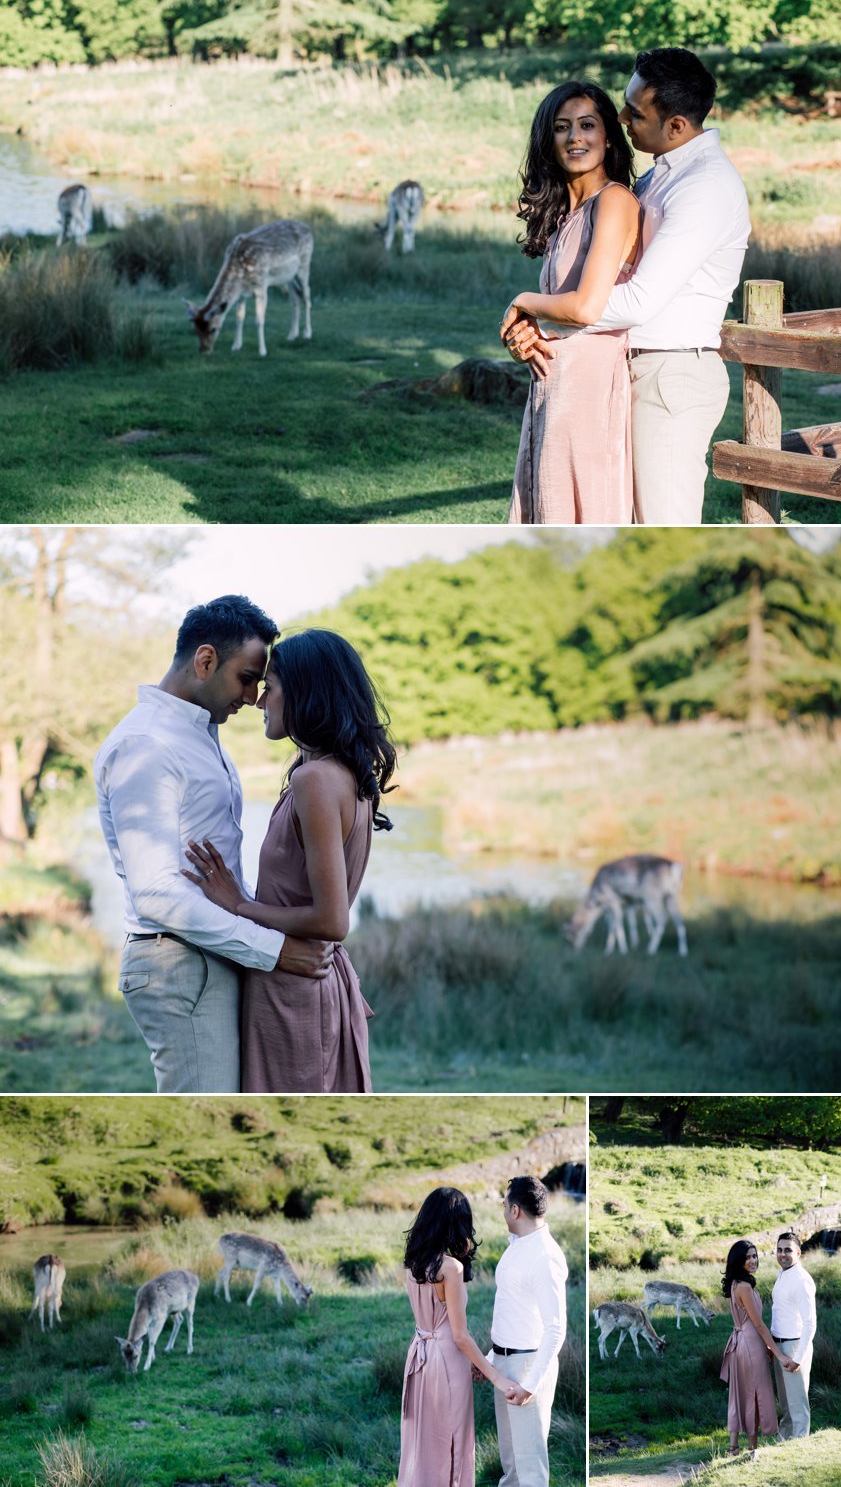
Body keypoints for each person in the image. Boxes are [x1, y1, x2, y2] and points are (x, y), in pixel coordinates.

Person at [94, 596, 333, 1094]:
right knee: (200, 1112)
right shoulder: (146, 746)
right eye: (247, 678)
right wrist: (274, 950)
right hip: (179, 966)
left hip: (209, 956)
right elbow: (157, 893)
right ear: (205, 660)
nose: (252, 698)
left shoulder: (197, 736)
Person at [503, 48, 750, 526]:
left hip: (670, 375)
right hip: (622, 369)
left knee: (663, 527)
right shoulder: (658, 176)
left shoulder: (705, 186)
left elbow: (634, 300)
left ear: (676, 125)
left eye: (635, 112)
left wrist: (538, 311)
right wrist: (544, 329)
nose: (622, 118)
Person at [182, 627, 395, 1094]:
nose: (259, 700)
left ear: (304, 694)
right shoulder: (337, 774)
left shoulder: (316, 780)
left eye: (271, 686)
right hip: (297, 983)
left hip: (294, 990)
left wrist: (239, 905)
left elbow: (331, 919)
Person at [499, 80, 641, 524]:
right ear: (548, 139)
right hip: (551, 385)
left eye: (587, 125)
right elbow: (560, 310)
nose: (575, 137)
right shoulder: (566, 215)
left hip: (588, 388)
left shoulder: (613, 201)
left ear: (608, 136)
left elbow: (584, 308)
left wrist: (522, 301)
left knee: (578, 513)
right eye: (562, 127)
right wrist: (525, 337)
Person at [399, 1187, 522, 1487]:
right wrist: (495, 1376)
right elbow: (460, 1335)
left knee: (423, 1444)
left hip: (419, 1357)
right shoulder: (449, 1268)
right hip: (445, 1361)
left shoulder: (414, 1264)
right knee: (451, 1444)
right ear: (456, 1223)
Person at [489, 1176, 568, 1487]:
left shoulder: (545, 1256)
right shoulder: (517, 1245)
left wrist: (531, 1385)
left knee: (530, 1469)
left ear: (516, 1210)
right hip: (504, 1363)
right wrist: (490, 1358)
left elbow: (555, 1328)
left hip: (527, 1367)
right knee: (511, 1466)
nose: (503, 1211)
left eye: (505, 1206)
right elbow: (514, 1311)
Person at [719, 1238, 799, 1456]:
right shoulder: (744, 1286)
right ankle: (752, 1448)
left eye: (754, 1256)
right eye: (747, 1257)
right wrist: (779, 1354)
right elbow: (759, 1325)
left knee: (738, 1394)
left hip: (739, 1344)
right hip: (750, 1345)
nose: (753, 1260)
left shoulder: (736, 1283)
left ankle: (734, 1447)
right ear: (738, 1261)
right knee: (755, 1392)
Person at [770, 1230, 817, 1439]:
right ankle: (783, 1441)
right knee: (786, 1402)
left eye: (788, 1250)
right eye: (779, 1250)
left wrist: (798, 1358)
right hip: (779, 1346)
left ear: (798, 1252)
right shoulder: (782, 1275)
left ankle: (799, 1444)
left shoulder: (801, 1280)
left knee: (798, 1404)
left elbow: (810, 1323)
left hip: (795, 1346)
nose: (782, 1254)